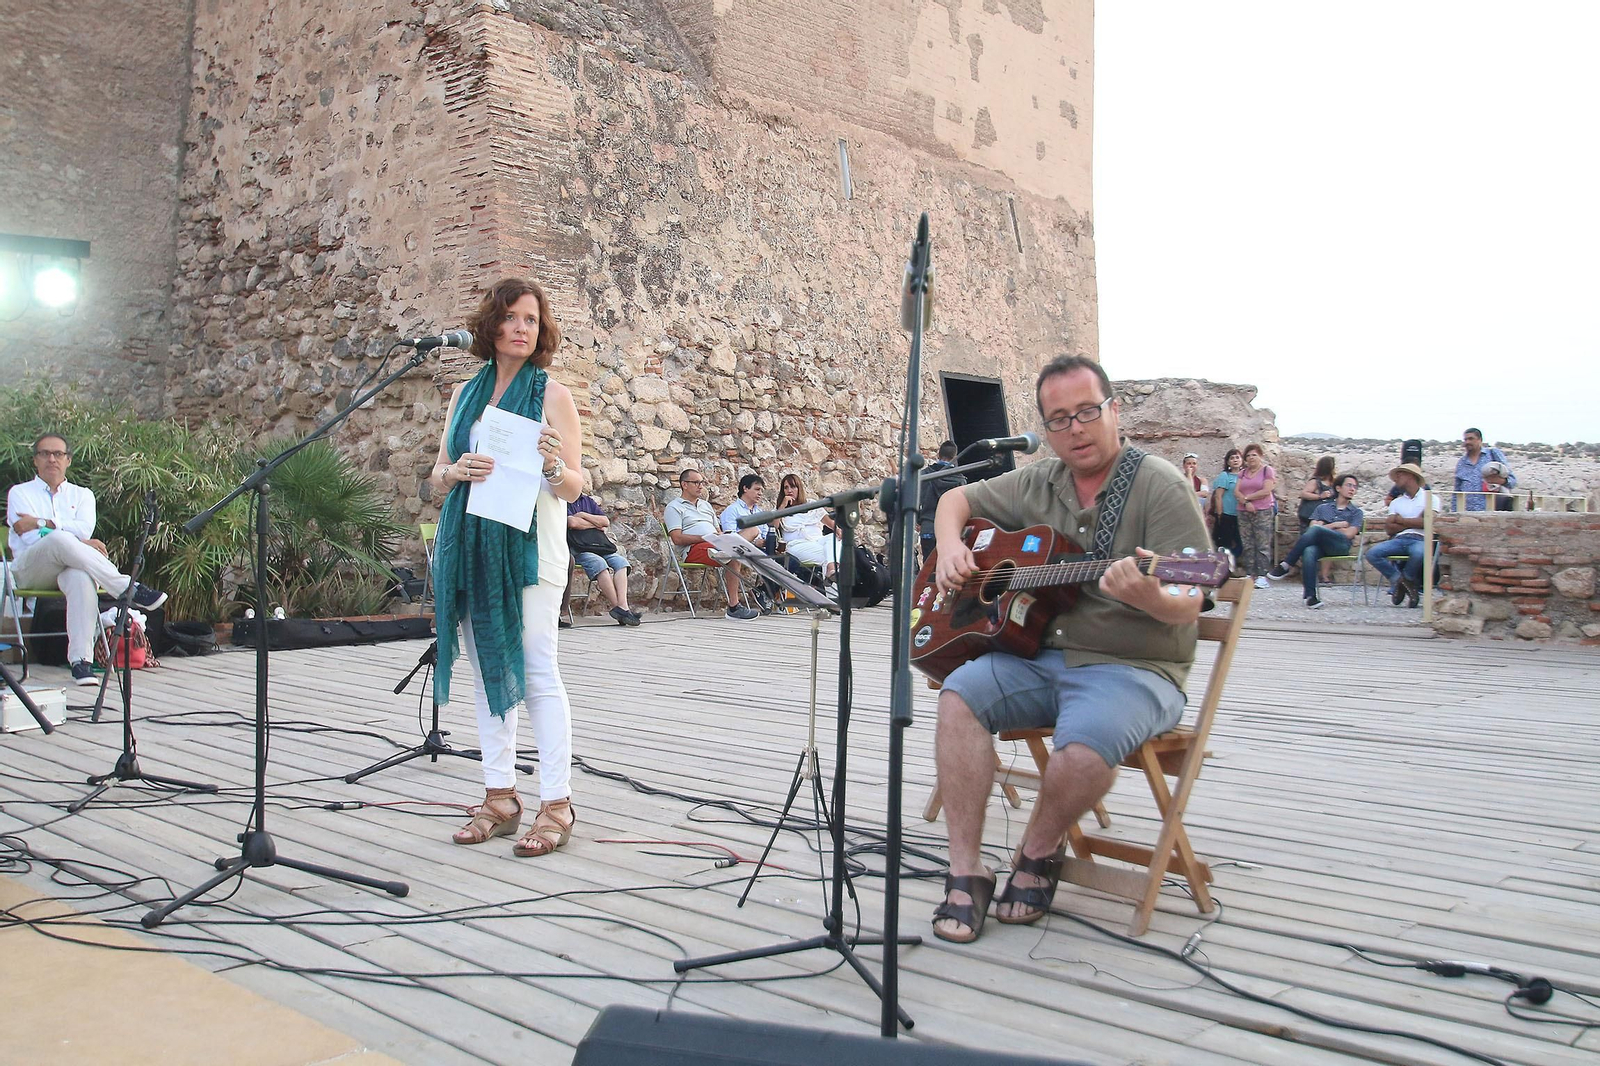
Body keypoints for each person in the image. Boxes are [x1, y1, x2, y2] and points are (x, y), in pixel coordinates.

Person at [929, 355, 1210, 945]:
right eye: (1059, 420)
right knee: (958, 698)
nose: (1075, 429)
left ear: (1114, 411)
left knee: (1080, 753)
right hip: (1040, 654)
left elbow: (1191, 596)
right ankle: (966, 870)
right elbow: (955, 500)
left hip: (1134, 668)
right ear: (1046, 429)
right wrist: (951, 546)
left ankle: (1036, 852)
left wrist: (1152, 597)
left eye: (1087, 412)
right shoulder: (1039, 481)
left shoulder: (1160, 486)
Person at [428, 276, 583, 857]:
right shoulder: (464, 396)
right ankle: (499, 797)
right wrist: (454, 472)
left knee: (537, 669)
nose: (522, 328)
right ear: (491, 324)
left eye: (532, 320)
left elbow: (575, 486)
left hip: (532, 549)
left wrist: (552, 466)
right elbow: (437, 473)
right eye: (512, 317)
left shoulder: (553, 396)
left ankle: (557, 803)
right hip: (470, 545)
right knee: (485, 668)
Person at [5, 433, 167, 686]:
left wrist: (41, 522)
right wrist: (72, 538)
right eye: (45, 454)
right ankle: (127, 587)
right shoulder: (20, 493)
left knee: (80, 576)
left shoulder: (82, 495)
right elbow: (31, 539)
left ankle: (81, 662)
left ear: (68, 460)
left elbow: (83, 530)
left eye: (58, 454)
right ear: (35, 460)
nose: (51, 459)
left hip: (69, 565)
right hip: (30, 569)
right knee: (60, 540)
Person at [666, 468, 758, 620]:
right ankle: (734, 607)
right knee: (733, 555)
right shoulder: (674, 507)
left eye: (701, 482)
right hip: (694, 549)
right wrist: (705, 538)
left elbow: (717, 531)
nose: (700, 486)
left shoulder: (706, 506)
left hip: (715, 543)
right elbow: (677, 538)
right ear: (684, 485)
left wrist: (721, 536)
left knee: (753, 530)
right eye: (696, 482)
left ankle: (728, 550)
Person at [1267, 474, 1363, 608]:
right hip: (1322, 546)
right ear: (1338, 488)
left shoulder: (1356, 512)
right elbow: (1312, 529)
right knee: (1309, 550)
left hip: (1340, 545)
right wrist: (1336, 525)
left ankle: (1287, 564)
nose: (1352, 489)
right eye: (1349, 485)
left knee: (1317, 531)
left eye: (1355, 487)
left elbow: (1349, 534)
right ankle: (1310, 597)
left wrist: (1324, 526)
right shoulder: (1322, 508)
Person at [1363, 462, 1441, 608]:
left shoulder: (1431, 498)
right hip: (1399, 539)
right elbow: (1389, 528)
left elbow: (1427, 523)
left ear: (1411, 476)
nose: (1396, 479)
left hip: (1421, 539)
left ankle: (1403, 582)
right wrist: (1415, 521)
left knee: (1419, 553)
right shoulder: (1396, 502)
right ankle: (1403, 582)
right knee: (1372, 554)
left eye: (1400, 474)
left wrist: (1401, 520)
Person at [566, 492, 640, 626]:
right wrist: (595, 524)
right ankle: (619, 609)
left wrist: (583, 515)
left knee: (621, 562)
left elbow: (605, 522)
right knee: (599, 564)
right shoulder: (563, 500)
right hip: (579, 548)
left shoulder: (587, 500)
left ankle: (623, 607)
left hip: (599, 546)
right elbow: (572, 522)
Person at [772, 473, 841, 586]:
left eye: (793, 487)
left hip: (817, 541)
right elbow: (774, 526)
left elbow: (830, 523)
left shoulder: (811, 504)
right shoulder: (779, 510)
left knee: (835, 539)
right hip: (796, 545)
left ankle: (831, 570)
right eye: (786, 488)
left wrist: (838, 530)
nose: (789, 490)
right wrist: (783, 506)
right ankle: (831, 573)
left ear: (799, 488)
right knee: (831, 555)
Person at [1234, 443, 1277, 589]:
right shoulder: (1243, 473)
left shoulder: (1267, 471)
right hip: (1244, 510)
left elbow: (1266, 490)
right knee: (1247, 543)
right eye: (1248, 455)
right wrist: (1246, 503)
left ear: (1260, 456)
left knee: (1262, 543)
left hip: (1262, 510)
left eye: (1254, 455)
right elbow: (1236, 491)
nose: (1251, 458)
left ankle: (1262, 575)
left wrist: (1248, 498)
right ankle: (1249, 573)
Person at [918, 441, 967, 566]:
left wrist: (920, 520)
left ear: (938, 455)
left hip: (928, 528)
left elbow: (915, 501)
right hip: (950, 531)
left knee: (929, 568)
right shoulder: (959, 480)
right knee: (949, 567)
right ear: (955, 458)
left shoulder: (923, 476)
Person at [1453, 429, 1516, 512]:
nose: (1467, 442)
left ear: (1480, 440)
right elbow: (1457, 491)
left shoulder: (1493, 454)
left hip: (1492, 512)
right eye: (1465, 439)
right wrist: (1454, 512)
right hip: (1467, 513)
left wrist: (1501, 481)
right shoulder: (1461, 463)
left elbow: (1512, 481)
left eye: (1471, 439)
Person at [1210, 449, 1243, 558]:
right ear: (1228, 462)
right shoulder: (1225, 476)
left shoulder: (1245, 476)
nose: (1235, 460)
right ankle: (1225, 563)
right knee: (1226, 543)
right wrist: (1220, 515)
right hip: (1227, 515)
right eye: (1232, 458)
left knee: (1241, 543)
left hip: (1241, 514)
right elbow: (1218, 496)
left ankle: (1231, 561)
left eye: (1237, 457)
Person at [1296, 456, 1338, 532]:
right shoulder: (1315, 481)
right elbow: (1304, 494)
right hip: (1311, 516)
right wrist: (1320, 496)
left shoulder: (1333, 483)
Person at [1180, 453, 1210, 528]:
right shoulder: (1180, 480)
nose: (1192, 465)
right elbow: (1189, 488)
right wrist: (1189, 475)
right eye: (1189, 463)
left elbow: (1205, 493)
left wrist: (1191, 494)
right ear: (1184, 465)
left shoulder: (1202, 480)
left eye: (1194, 463)